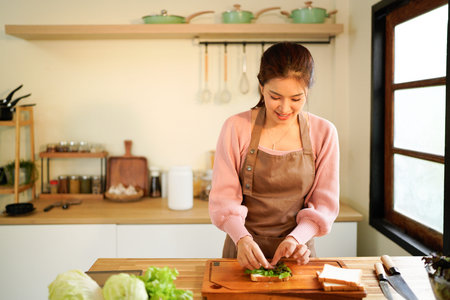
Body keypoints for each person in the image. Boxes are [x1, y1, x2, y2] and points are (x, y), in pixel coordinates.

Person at [208, 42, 340, 270]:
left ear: (307, 90)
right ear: (261, 87)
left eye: (296, 99)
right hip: (242, 251)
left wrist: (296, 239)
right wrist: (242, 238)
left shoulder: (324, 132)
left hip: (298, 253)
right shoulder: (235, 127)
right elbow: (224, 198)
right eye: (275, 96)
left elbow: (323, 204)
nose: (285, 108)